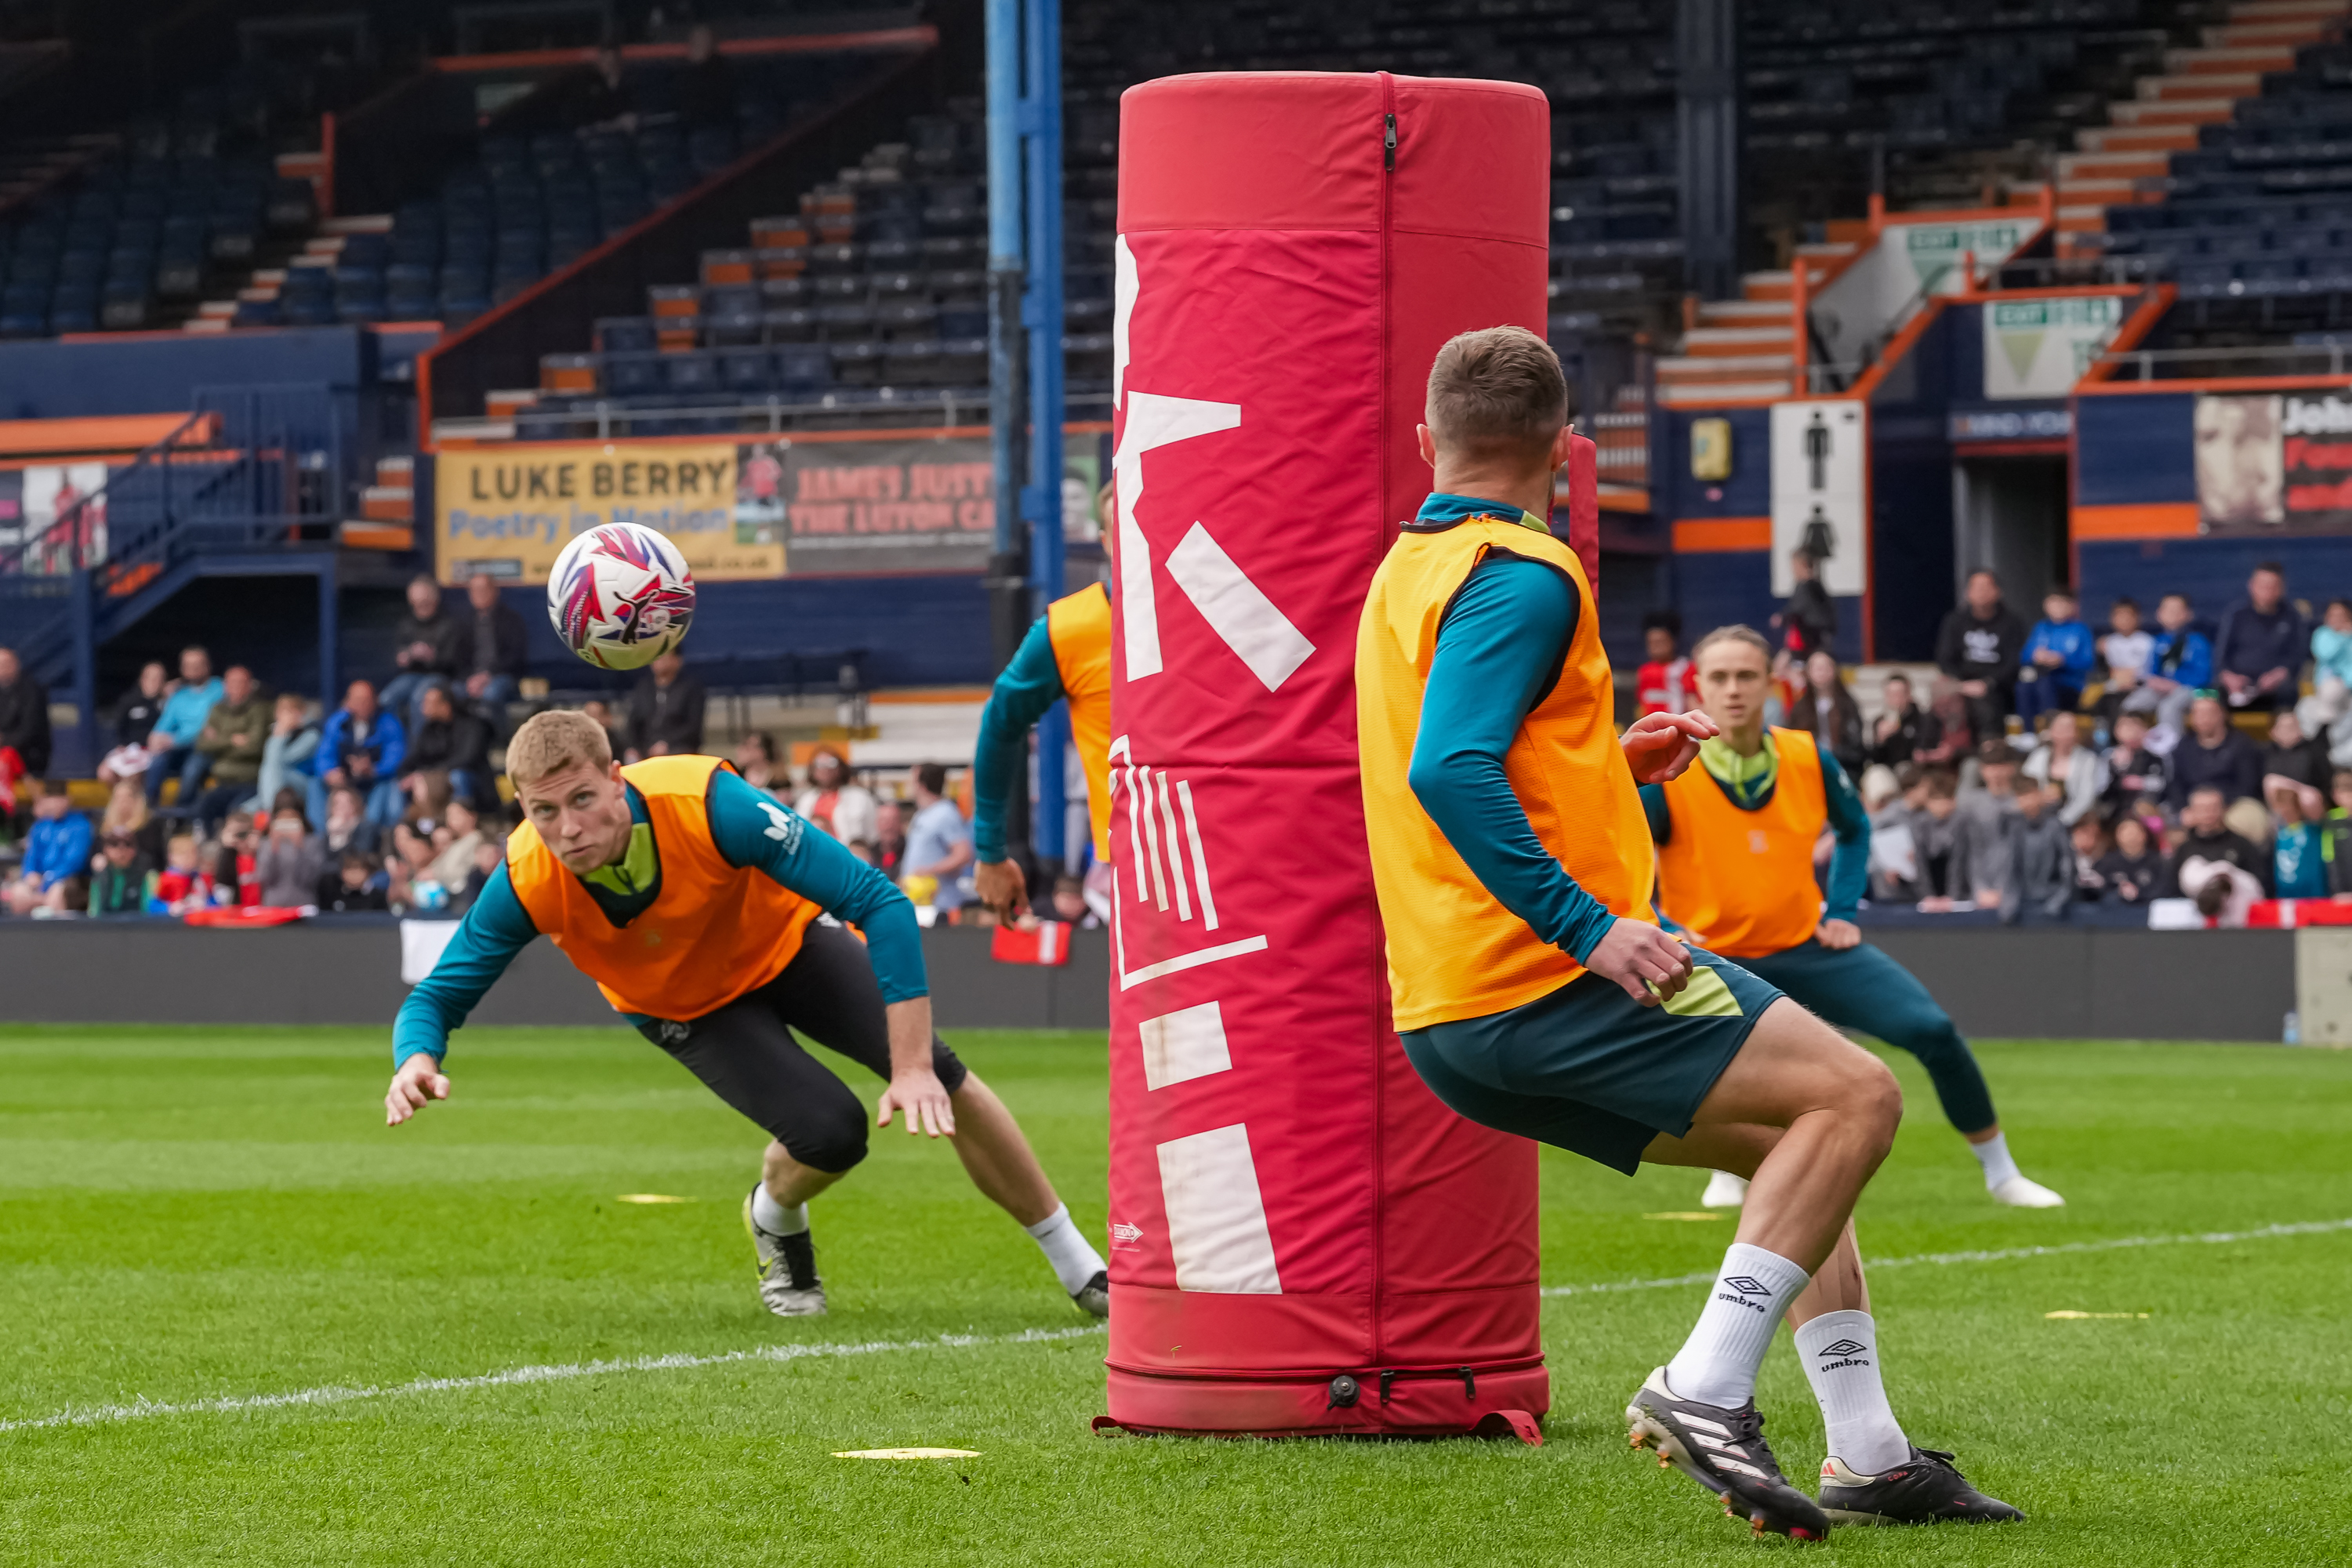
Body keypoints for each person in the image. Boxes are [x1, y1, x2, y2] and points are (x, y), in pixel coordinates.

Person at [1354, 327, 2020, 1537]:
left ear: (1427, 442)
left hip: (1454, 1001)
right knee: (1861, 1100)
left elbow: (1465, 759)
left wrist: (1608, 768)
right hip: (1547, 976)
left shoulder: (1414, 567)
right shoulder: (1524, 572)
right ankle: (1702, 1386)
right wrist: (1589, 929)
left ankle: (1867, 1451)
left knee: (1800, 1147)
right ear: (1566, 447)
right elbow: (1450, 771)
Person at [384, 710, 1110, 1321]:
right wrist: (417, 1058)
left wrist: (913, 1065)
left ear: (616, 780)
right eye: (543, 812)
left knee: (944, 1076)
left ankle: (1083, 1268)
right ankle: (774, 1212)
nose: (566, 828)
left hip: (786, 944)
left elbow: (879, 901)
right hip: (684, 1006)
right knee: (832, 1134)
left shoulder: (707, 802)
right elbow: (437, 996)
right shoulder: (525, 878)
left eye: (580, 800)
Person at [1647, 624, 2062, 1212]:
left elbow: (1854, 828)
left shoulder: (1805, 756)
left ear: (1773, 685)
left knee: (1933, 1031)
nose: (1733, 689)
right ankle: (1729, 1168)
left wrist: (1841, 909)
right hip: (1716, 961)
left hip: (1804, 945)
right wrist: (1662, 925)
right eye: (1719, 677)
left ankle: (2001, 1172)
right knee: (1713, 1066)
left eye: (1746, 676)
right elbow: (1621, 853)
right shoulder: (1669, 767)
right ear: (1698, 686)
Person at [971, 571, 1112, 916]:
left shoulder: (1229, 597)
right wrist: (990, 850)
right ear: (1108, 538)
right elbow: (1001, 723)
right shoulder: (1072, 628)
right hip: (1141, 860)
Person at [1934, 570, 2026, 742]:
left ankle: (1989, 751)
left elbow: (2014, 661)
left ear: (1998, 592)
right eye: (1976, 588)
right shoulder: (1954, 621)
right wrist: (1962, 684)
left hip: (1996, 685)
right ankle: (1943, 748)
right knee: (1941, 697)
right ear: (1967, 593)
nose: (1981, 593)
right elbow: (1944, 657)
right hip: (1960, 682)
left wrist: (1988, 683)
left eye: (1986, 587)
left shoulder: (2012, 623)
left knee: (1986, 707)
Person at [310, 680, 408, 829]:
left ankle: (367, 833)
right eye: (357, 700)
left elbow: (395, 756)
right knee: (315, 784)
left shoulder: (389, 723)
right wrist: (330, 772)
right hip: (345, 781)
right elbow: (324, 754)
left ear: (375, 701)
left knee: (387, 788)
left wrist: (374, 770)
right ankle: (322, 835)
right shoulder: (337, 722)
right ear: (348, 702)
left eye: (366, 700)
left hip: (374, 781)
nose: (362, 705)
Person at [2213, 563, 2305, 714]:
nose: (2267, 591)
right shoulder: (2236, 615)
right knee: (2209, 694)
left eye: (2272, 586)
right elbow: (2222, 654)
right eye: (2262, 585)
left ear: (2282, 588)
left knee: (2289, 691)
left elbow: (2297, 655)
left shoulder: (2292, 617)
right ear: (2251, 585)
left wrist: (2281, 673)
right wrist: (2228, 676)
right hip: (2237, 683)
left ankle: (2283, 736)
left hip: (2274, 686)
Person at [190, 665, 270, 834]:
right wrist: (233, 740)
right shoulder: (217, 709)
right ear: (225, 685)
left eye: (241, 682)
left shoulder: (260, 710)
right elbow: (202, 744)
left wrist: (219, 739)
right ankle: (209, 848)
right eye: (232, 682)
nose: (236, 687)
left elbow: (254, 747)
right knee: (203, 807)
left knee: (235, 813)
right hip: (222, 781)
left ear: (249, 685)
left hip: (250, 781)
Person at [1952, 740, 2025, 909]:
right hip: (1979, 892)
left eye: (2001, 766)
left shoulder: (2023, 804)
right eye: (1990, 767)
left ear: (2012, 768)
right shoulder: (1970, 805)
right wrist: (1980, 889)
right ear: (1982, 770)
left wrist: (2006, 890)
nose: (1996, 773)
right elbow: (1970, 851)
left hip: (2017, 894)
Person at [143, 645, 221, 807]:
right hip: (177, 748)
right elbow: (165, 723)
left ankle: (180, 816)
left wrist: (175, 740)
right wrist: (156, 736)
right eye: (187, 665)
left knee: (191, 770)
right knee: (157, 762)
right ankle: (149, 810)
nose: (191, 670)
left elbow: (207, 728)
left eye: (196, 665)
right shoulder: (179, 695)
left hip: (204, 747)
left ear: (207, 666)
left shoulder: (220, 689)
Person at [399, 682, 495, 813]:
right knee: (402, 784)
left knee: (457, 777)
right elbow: (415, 757)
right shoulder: (429, 729)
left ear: (445, 705)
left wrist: (430, 773)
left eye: (428, 702)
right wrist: (406, 774)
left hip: (475, 781)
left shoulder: (472, 726)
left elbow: (467, 759)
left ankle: (462, 819)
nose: (423, 707)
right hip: (437, 776)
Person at [382, 576, 464, 726]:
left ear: (434, 601)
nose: (419, 609)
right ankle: (396, 743)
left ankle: (419, 747)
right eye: (415, 604)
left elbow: (454, 662)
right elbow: (396, 659)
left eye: (424, 603)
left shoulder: (450, 624)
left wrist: (431, 657)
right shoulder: (406, 624)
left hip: (442, 676)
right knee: (386, 698)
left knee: (419, 699)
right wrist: (406, 656)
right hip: (413, 675)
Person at [2131, 592, 2214, 738]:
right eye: (2167, 610)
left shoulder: (2198, 641)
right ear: (2159, 613)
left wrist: (2176, 684)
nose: (2171, 614)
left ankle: (2173, 754)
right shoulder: (2158, 641)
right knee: (2133, 705)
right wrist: (2153, 681)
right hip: (2163, 690)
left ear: (2188, 614)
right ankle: (2136, 750)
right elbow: (2151, 671)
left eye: (2177, 610)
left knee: (2168, 707)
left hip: (2195, 691)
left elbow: (2203, 676)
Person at [2161, 785, 2270, 897]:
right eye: (2202, 809)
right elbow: (2173, 892)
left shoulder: (2242, 846)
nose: (2208, 813)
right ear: (2191, 811)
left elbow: (2259, 885)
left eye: (2213, 808)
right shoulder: (2184, 850)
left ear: (2224, 809)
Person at [5, 781, 91, 915]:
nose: (54, 803)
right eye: (50, 798)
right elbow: (31, 857)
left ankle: (54, 934)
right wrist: (30, 874)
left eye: (58, 798)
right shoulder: (40, 827)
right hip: (42, 879)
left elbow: (74, 862)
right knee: (19, 891)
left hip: (69, 880)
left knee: (57, 892)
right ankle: (21, 934)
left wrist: (49, 879)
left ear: (67, 800)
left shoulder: (80, 825)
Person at [2014, 587, 2095, 725]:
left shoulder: (2080, 630)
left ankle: (2049, 730)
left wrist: (2063, 660)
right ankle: (2028, 733)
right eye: (2054, 602)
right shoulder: (2041, 628)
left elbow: (2088, 662)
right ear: (2046, 605)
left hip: (2069, 684)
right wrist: (2036, 656)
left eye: (2062, 603)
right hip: (2040, 677)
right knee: (2023, 687)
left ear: (2072, 606)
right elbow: (2024, 656)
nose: (2058, 607)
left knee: (2045, 685)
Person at [2167, 694, 2263, 811]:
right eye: (2197, 714)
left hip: (2232, 805)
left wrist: (2215, 807)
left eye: (2209, 713)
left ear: (2222, 715)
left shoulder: (2242, 744)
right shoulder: (2184, 746)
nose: (2203, 718)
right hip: (2195, 806)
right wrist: (2183, 808)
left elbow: (2248, 786)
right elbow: (2176, 784)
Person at [903, 762, 974, 913]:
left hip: (941, 903)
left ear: (921, 785)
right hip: (920, 900)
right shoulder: (922, 815)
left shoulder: (945, 813)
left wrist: (929, 870)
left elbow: (963, 854)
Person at [459, 572, 529, 717]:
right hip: (471, 678)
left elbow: (515, 657)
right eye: (475, 591)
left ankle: (500, 739)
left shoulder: (511, 620)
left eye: (484, 590)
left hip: (503, 676)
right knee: (451, 693)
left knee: (491, 694)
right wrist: (470, 679)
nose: (479, 595)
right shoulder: (464, 623)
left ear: (495, 591)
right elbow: (459, 658)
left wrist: (488, 675)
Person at [2005, 779, 2073, 923]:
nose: (2027, 801)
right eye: (2022, 797)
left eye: (2030, 795)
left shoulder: (2055, 825)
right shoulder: (2015, 828)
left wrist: (2060, 898)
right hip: (2024, 900)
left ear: (2039, 795)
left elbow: (2067, 864)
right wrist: (2010, 900)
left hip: (2052, 898)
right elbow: (2011, 866)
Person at [2021, 711, 2103, 827]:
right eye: (2059, 727)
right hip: (2039, 818)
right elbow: (2025, 787)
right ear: (2050, 731)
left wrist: (2061, 821)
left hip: (2076, 822)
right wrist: (2040, 798)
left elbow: (2086, 798)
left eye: (2068, 728)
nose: (2063, 732)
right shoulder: (2039, 756)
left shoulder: (2088, 760)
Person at [624, 649, 706, 760]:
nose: (658, 661)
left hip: (678, 746)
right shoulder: (644, 687)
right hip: (646, 746)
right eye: (655, 657)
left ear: (677, 660)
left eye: (664, 657)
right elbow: (634, 722)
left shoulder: (691, 688)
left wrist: (667, 744)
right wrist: (634, 747)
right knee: (630, 757)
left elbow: (693, 726)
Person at [2296, 598, 2352, 758]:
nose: (2337, 619)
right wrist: (2342, 636)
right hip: (2330, 687)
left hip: (2349, 687)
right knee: (2329, 695)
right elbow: (2326, 654)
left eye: (2341, 615)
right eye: (2333, 615)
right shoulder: (2322, 634)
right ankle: (2323, 749)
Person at [1795, 649, 1865, 774]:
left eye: (1825, 667)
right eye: (1816, 667)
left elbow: (1855, 748)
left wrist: (1833, 753)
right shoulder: (1800, 709)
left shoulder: (1848, 706)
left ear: (1834, 670)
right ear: (1808, 672)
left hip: (1843, 767)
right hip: (1809, 769)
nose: (1821, 671)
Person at [795, 749, 879, 849]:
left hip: (851, 857)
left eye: (831, 763)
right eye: (819, 764)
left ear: (840, 768)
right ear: (812, 770)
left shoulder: (860, 797)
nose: (825, 769)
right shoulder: (805, 800)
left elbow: (874, 835)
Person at [256, 693, 320, 811]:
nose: (284, 717)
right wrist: (280, 735)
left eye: (289, 711)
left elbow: (284, 759)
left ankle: (271, 810)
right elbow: (269, 759)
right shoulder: (280, 733)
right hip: (278, 783)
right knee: (243, 809)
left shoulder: (312, 734)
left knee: (271, 768)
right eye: (281, 711)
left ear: (300, 713)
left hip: (305, 783)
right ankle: (269, 808)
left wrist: (280, 735)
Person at [2261, 709, 2329, 820]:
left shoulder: (2314, 751)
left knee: (2309, 798)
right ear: (2273, 732)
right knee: (2271, 783)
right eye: (2286, 727)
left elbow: (2325, 783)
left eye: (2295, 725)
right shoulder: (2265, 753)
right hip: (2276, 807)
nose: (2293, 731)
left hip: (2309, 804)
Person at [2093, 597, 2154, 723]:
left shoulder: (2147, 642)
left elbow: (2148, 670)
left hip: (2139, 686)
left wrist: (2131, 677)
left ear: (2137, 618)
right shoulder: (2109, 643)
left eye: (2128, 616)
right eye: (2119, 616)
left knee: (2121, 704)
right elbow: (2109, 670)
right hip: (2115, 686)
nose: (2124, 620)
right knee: (2100, 702)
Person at [0, 646, 51, 792]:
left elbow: (30, 730)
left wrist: (4, 741)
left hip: (30, 756)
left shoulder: (31, 690)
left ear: (16, 664)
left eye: (7, 664)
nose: (3, 669)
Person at [1864, 671, 1938, 770]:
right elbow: (1876, 760)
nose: (1895, 699)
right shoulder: (1879, 722)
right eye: (1890, 694)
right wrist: (1880, 740)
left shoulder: (1923, 720)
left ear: (1908, 695)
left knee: (1903, 768)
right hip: (1888, 771)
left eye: (1899, 694)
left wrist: (1901, 734)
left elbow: (1921, 753)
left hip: (1915, 770)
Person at [255, 804, 324, 909]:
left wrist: (300, 847)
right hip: (273, 905)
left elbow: (309, 879)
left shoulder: (312, 843)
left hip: (303, 903)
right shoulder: (266, 845)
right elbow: (265, 877)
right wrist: (274, 848)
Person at [1772, 548, 1835, 659]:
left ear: (1803, 565)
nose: (1793, 570)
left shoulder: (1806, 586)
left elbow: (1799, 608)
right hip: (1813, 636)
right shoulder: (1816, 586)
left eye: (1794, 566)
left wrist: (1783, 617)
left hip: (1809, 638)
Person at [2101, 710, 2169, 815]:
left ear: (2144, 730)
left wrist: (2141, 782)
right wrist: (2118, 767)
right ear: (2116, 730)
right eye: (2124, 726)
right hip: (2115, 808)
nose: (2129, 731)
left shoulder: (2155, 757)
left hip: (2145, 808)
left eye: (2134, 726)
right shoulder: (2108, 756)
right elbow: (2102, 787)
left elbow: (2161, 783)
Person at [2270, 781, 2328, 900]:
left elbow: (2315, 802)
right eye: (2280, 807)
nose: (2284, 811)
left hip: (2312, 895)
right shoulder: (2279, 835)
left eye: (2288, 806)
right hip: (2285, 894)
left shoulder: (2311, 831)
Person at [677, 23, 736, 128]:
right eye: (694, 41)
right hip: (684, 124)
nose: (696, 45)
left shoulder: (722, 70)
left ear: (711, 45)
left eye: (702, 41)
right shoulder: (681, 71)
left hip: (714, 124)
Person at [2096, 814, 2162, 906]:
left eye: (2134, 831)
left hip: (2147, 910)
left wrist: (2139, 894)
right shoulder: (2105, 863)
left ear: (2144, 835)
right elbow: (2098, 891)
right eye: (2126, 832)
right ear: (2117, 835)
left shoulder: (2159, 862)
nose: (2131, 836)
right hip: (2115, 913)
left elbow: (2163, 891)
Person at [1635, 611, 1692, 718]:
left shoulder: (1685, 668)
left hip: (1678, 727)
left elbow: (1692, 702)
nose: (1656, 647)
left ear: (1673, 641)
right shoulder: (1644, 671)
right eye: (1651, 643)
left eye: (1661, 642)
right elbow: (1641, 704)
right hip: (1651, 729)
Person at [107, 660, 168, 757]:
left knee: (134, 772)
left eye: (158, 678)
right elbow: (118, 725)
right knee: (104, 771)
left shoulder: (166, 704)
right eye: (150, 678)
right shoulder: (129, 700)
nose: (153, 682)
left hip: (152, 751)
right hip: (129, 748)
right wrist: (121, 744)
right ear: (142, 679)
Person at [87, 829, 154, 916]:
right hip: (104, 925)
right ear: (105, 849)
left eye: (128, 844)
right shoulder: (100, 876)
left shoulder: (145, 876)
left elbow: (147, 910)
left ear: (135, 849)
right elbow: (94, 912)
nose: (121, 849)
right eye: (114, 844)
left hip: (135, 925)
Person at [318, 849, 390, 913]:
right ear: (343, 872)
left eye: (358, 869)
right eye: (350, 869)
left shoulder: (377, 897)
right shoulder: (332, 894)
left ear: (367, 872)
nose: (354, 874)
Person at [2324, 769, 2352, 895]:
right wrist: (2337, 890)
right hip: (2342, 890)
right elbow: (2329, 856)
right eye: (2344, 791)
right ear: (2335, 795)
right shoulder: (2331, 820)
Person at [734, 732, 785, 797]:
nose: (739, 751)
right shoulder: (736, 777)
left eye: (747, 748)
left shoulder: (780, 782)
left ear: (762, 752)